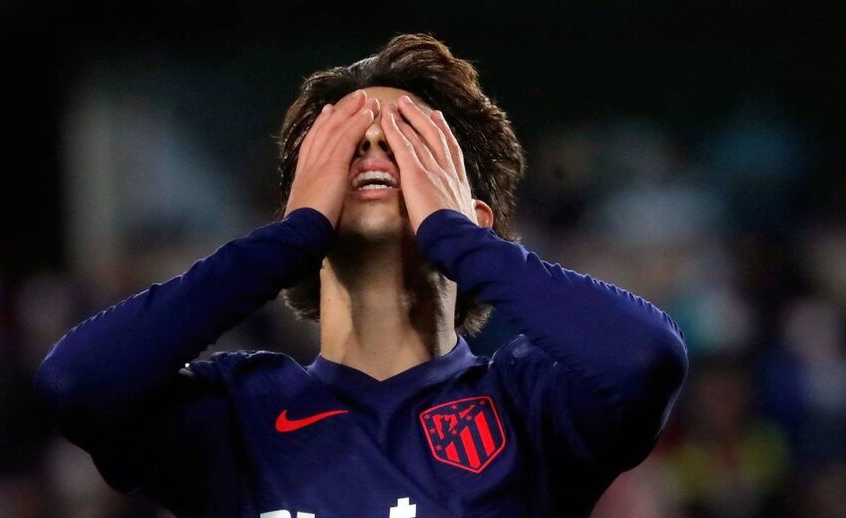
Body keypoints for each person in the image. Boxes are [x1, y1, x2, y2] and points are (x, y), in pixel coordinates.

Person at [35, 33, 689, 517]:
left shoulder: (528, 404)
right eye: (344, 146)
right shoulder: (237, 414)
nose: (373, 149)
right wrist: (285, 241)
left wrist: (459, 239)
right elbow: (77, 383)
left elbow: (644, 358)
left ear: (471, 215)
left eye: (409, 141)